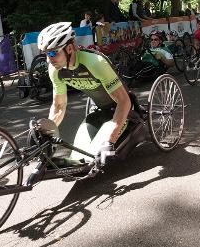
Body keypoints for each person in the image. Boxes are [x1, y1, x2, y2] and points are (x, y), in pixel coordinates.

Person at [39, 22, 145, 167]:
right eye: (45, 54)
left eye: (52, 53)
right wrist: (47, 133)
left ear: (69, 48)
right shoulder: (55, 70)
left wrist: (110, 140)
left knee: (93, 158)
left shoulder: (95, 62)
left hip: (122, 110)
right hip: (99, 111)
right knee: (78, 157)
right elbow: (58, 106)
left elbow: (124, 102)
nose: (49, 59)